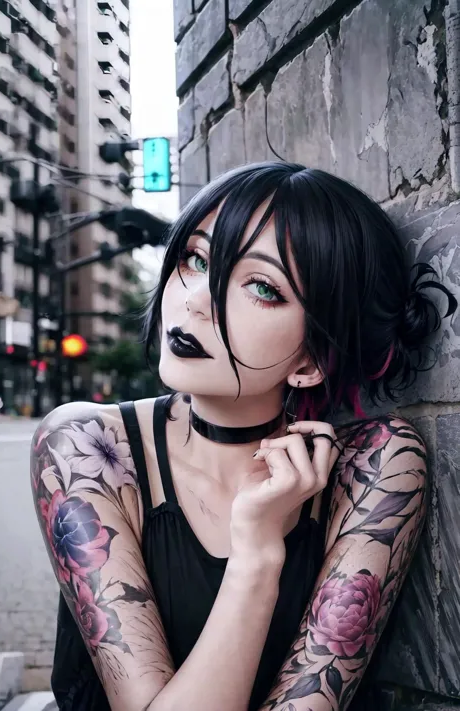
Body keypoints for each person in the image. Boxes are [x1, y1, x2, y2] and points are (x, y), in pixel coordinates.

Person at [31, 162, 457, 711]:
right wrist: (254, 559)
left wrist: (258, 547)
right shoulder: (87, 447)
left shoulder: (375, 466)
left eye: (260, 286)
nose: (195, 299)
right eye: (196, 259)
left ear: (312, 359)